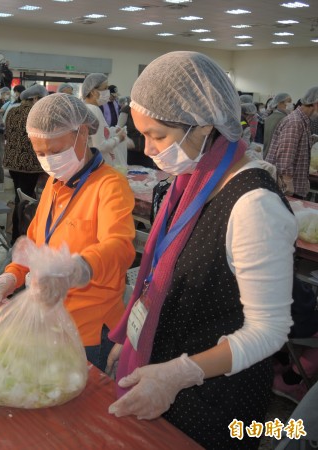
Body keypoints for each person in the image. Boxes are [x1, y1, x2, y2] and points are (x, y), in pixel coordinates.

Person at [104, 51, 297, 450]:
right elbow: (160, 275)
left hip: (216, 399)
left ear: (204, 124)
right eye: (142, 135)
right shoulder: (191, 182)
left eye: (157, 135)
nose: (148, 148)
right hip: (166, 368)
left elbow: (270, 330)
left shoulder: (253, 204)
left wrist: (180, 373)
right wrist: (131, 339)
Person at [0, 93, 136, 371]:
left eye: (56, 151)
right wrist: (12, 274)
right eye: (41, 153)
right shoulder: (56, 185)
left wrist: (75, 268)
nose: (49, 161)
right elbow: (35, 243)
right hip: (48, 320)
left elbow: (119, 248)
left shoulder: (110, 185)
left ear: (82, 134)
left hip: (88, 330)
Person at [3, 84, 48, 244]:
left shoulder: (12, 111)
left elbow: (6, 133)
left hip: (13, 164)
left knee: (19, 197)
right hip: (29, 164)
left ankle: (16, 236)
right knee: (28, 200)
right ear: (35, 98)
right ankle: (23, 236)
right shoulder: (36, 113)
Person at [266, 87, 318, 199]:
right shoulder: (295, 122)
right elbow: (285, 156)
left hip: (296, 184)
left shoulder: (304, 121)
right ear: (315, 103)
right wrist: (287, 182)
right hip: (285, 189)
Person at [81, 73, 127, 167]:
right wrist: (119, 138)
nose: (108, 92)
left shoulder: (87, 108)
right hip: (97, 164)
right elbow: (100, 146)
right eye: (105, 88)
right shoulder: (94, 110)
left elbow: (96, 135)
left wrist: (113, 131)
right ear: (93, 92)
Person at [117, 96, 153, 168]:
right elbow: (118, 129)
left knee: (148, 173)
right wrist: (126, 139)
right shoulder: (126, 110)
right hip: (131, 150)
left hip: (146, 149)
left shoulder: (148, 110)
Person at [263, 92, 292, 157]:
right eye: (289, 102)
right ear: (280, 103)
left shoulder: (269, 117)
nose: (291, 104)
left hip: (266, 154)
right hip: (275, 156)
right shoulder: (283, 118)